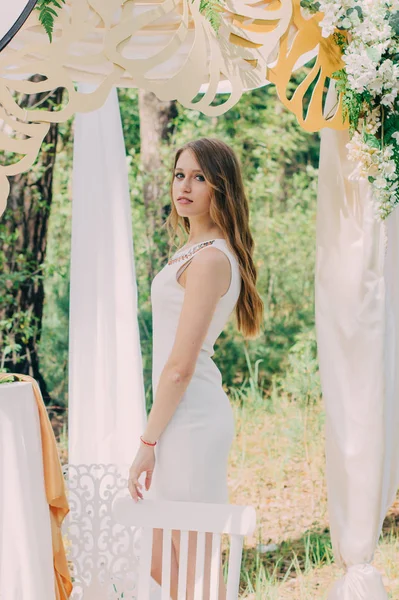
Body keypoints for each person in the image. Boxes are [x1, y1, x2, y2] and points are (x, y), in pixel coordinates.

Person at [127, 137, 264, 600]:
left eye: (199, 177)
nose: (184, 186)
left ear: (220, 188)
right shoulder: (193, 249)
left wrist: (147, 442)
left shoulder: (209, 259)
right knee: (165, 566)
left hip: (189, 420)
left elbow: (179, 367)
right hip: (179, 419)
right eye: (179, 174)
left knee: (193, 574)